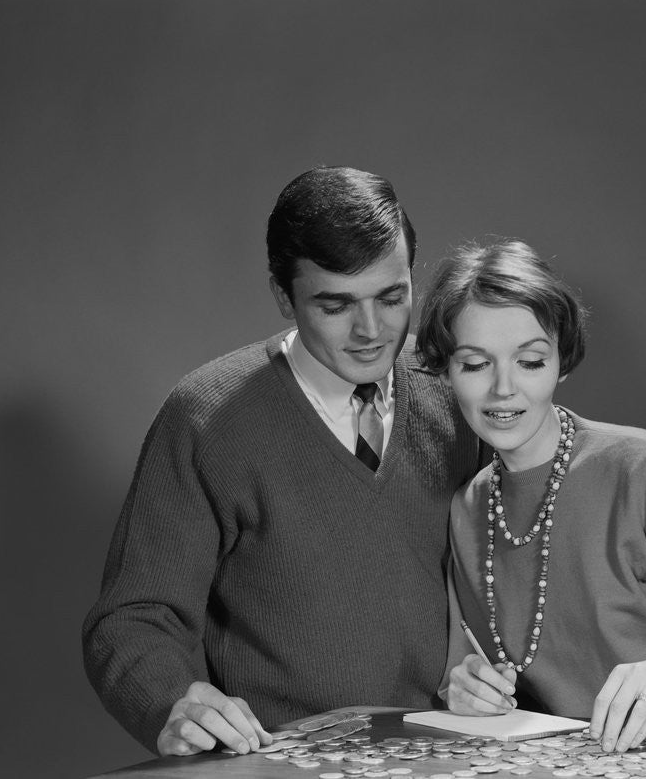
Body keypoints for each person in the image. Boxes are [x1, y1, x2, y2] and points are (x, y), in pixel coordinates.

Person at [83, 166, 484, 756]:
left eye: (392, 297)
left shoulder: (457, 395)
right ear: (281, 294)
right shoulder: (208, 417)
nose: (371, 331)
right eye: (336, 304)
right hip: (277, 764)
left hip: (454, 757)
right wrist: (170, 699)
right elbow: (134, 616)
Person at [415, 240, 646, 754]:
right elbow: (461, 665)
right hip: (538, 762)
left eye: (530, 361)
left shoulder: (643, 466)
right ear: (446, 374)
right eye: (475, 365)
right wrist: (464, 688)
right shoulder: (468, 506)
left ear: (561, 362)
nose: (504, 389)